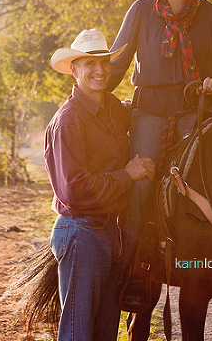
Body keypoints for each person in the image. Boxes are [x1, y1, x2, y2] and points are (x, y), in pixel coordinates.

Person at [107, 0, 212, 339]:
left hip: (194, 110)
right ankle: (130, 277)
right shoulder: (142, 11)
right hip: (150, 112)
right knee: (142, 184)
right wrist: (86, 96)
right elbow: (115, 64)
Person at [45, 28, 156, 341]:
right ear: (75, 71)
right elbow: (74, 190)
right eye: (89, 64)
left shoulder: (112, 110)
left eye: (104, 63)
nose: (99, 70)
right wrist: (128, 175)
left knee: (105, 333)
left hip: (109, 233)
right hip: (81, 232)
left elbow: (138, 113)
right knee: (79, 333)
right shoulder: (69, 120)